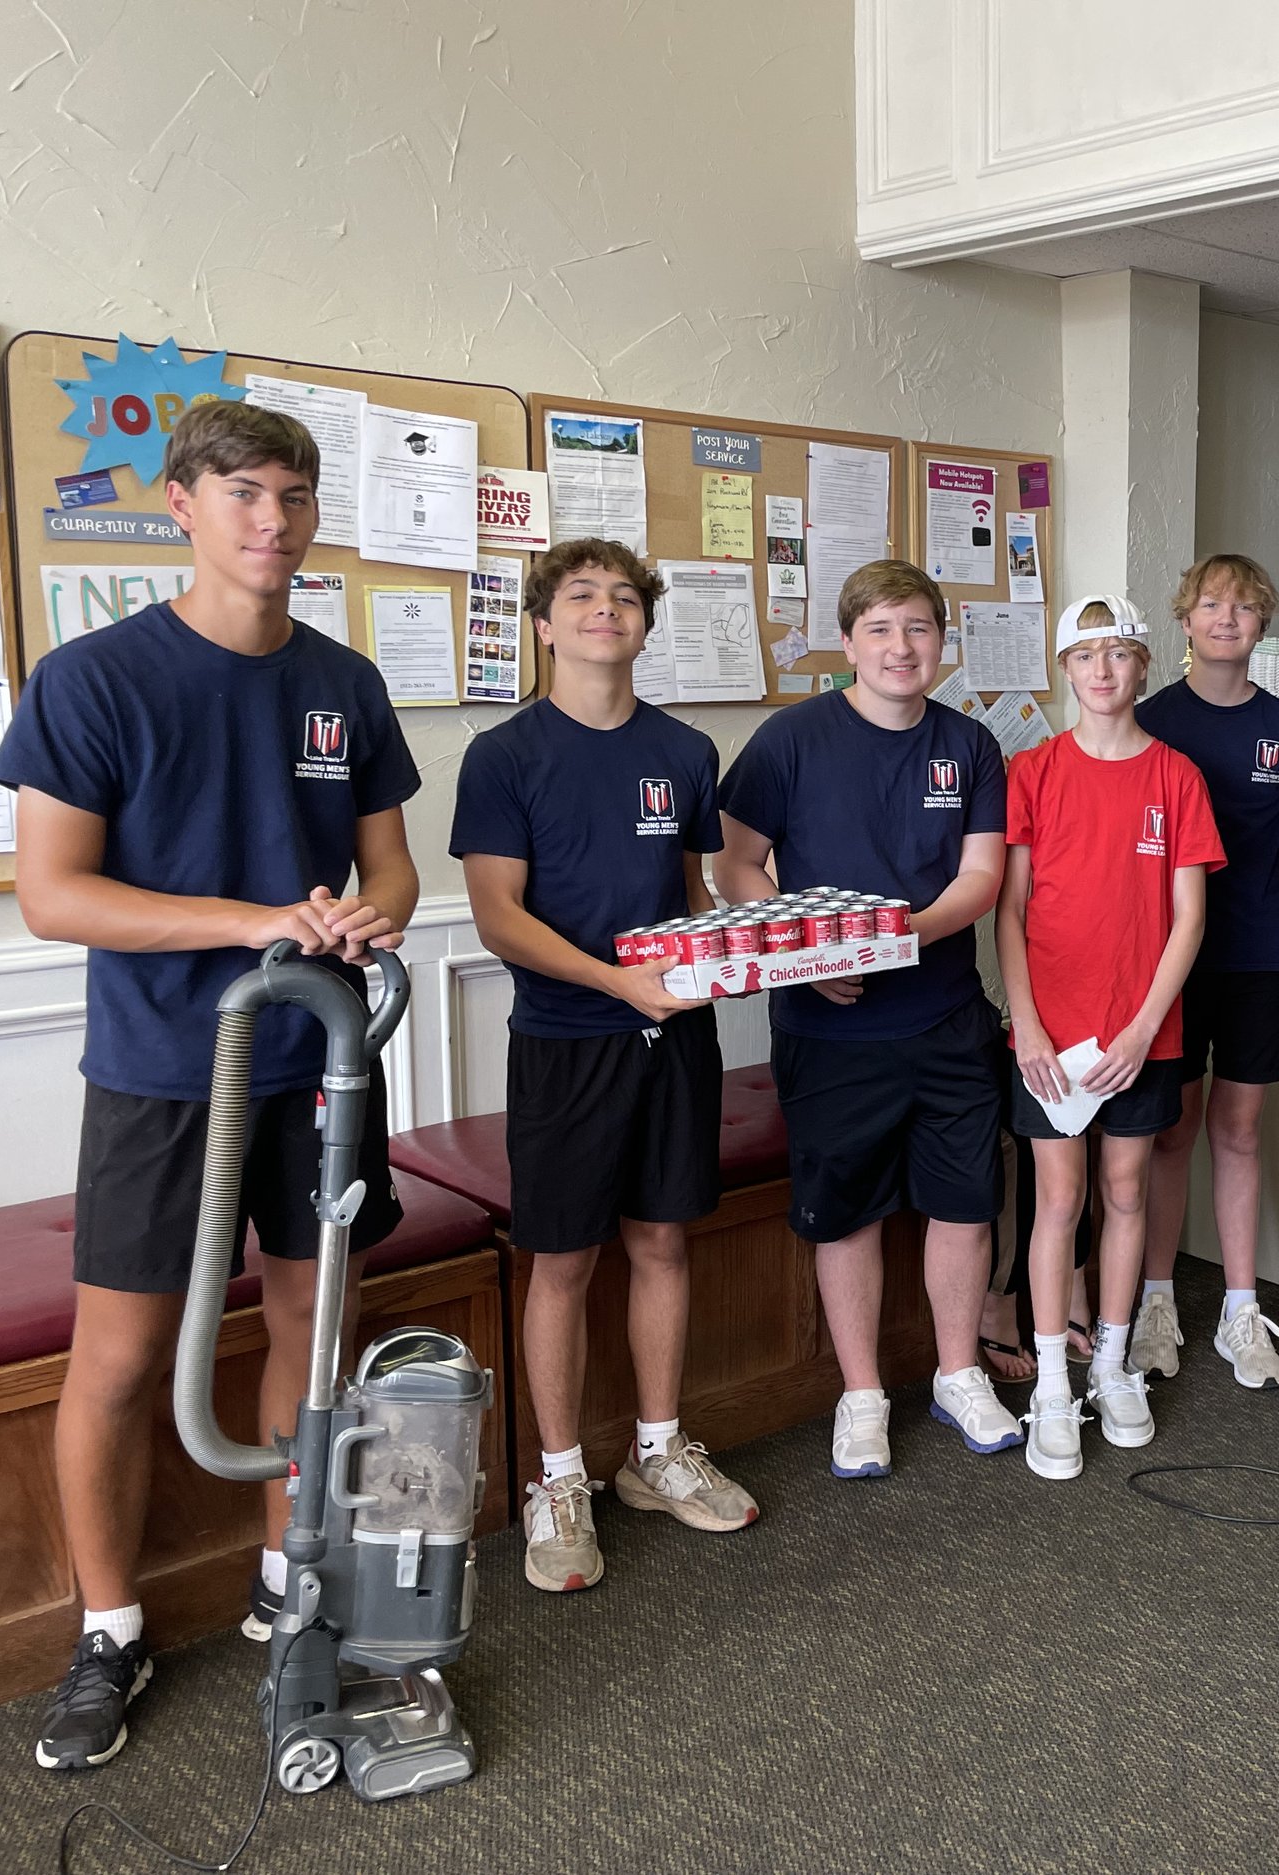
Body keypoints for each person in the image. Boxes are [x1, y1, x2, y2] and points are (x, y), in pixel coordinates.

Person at [0, 400, 419, 1771]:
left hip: (318, 1060)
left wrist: (370, 917)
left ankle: (288, 1576)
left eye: (293, 494)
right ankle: (107, 1625)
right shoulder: (97, 676)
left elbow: (393, 870)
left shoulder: (343, 680)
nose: (272, 518)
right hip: (167, 1072)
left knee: (311, 1318)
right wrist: (250, 918)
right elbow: (53, 895)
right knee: (119, 1358)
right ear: (181, 502)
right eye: (243, 491)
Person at [453, 538, 757, 1591]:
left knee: (664, 1242)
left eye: (625, 596)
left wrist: (728, 954)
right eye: (581, 596)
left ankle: (655, 1452)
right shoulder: (503, 755)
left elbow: (686, 898)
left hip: (673, 1041)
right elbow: (498, 918)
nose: (605, 610)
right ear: (543, 623)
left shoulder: (683, 751)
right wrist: (618, 982)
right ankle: (560, 1477)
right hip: (567, 1043)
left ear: (644, 623)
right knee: (564, 1260)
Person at [715, 559, 1021, 1476]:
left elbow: (981, 877)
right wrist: (811, 957)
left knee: (964, 1204)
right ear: (848, 643)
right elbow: (734, 865)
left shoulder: (970, 745)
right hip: (828, 1026)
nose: (902, 647)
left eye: (920, 628)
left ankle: (959, 1374)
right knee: (845, 1214)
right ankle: (862, 1394)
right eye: (882, 628)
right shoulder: (790, 739)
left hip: (947, 1017)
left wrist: (894, 941)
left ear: (942, 643)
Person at [998, 595, 1222, 1479]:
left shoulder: (1176, 776)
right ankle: (1053, 1380)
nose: (1103, 670)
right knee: (1058, 1199)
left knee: (1125, 1192)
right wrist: (1027, 1028)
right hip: (1050, 1037)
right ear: (1065, 669)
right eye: (1086, 655)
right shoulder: (1036, 772)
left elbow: (1189, 918)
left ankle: (1116, 1362)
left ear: (1143, 666)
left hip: (1142, 1035)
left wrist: (1141, 1028)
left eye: (1120, 653)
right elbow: (1009, 914)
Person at [1131, 554, 1279, 1389]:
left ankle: (1240, 1309)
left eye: (1244, 607)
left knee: (1238, 1129)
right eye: (1211, 604)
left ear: (1262, 623)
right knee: (1170, 1129)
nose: (1226, 619)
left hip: (1254, 951)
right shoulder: (1149, 722)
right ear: (1185, 619)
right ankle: (1159, 1300)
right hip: (1163, 962)